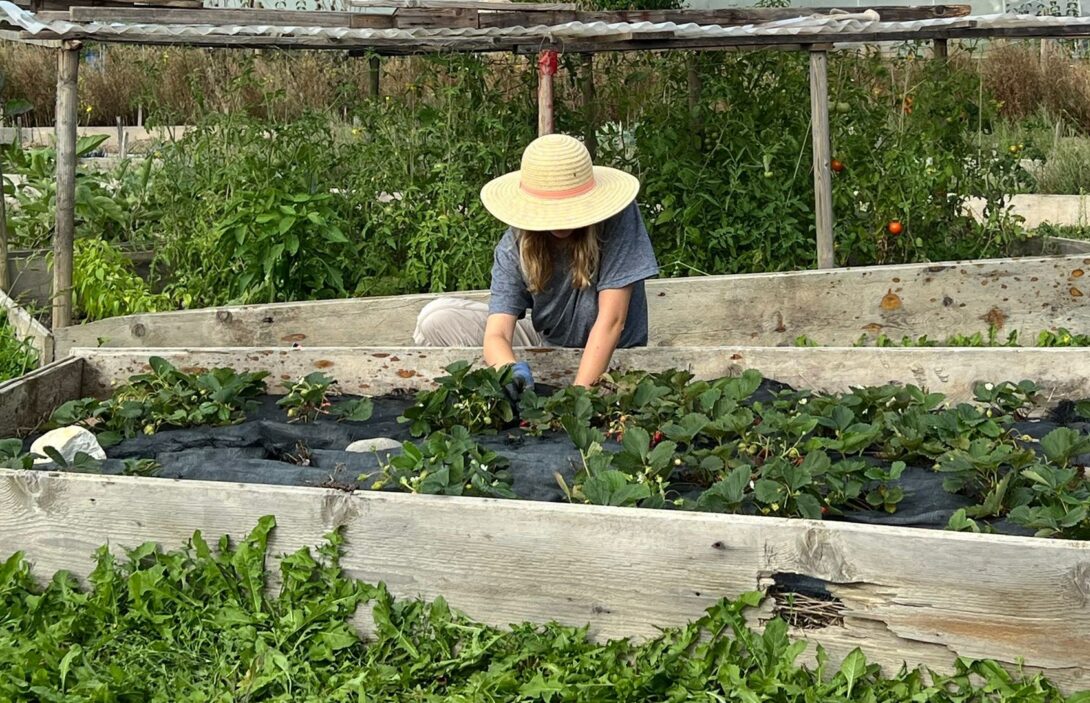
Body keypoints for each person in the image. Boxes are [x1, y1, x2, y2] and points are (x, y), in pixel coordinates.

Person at [413, 133, 659, 396]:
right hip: (550, 343)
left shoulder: (617, 219)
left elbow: (612, 321)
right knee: (435, 318)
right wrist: (509, 370)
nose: (561, 219)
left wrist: (577, 399)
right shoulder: (515, 245)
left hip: (613, 354)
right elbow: (497, 333)